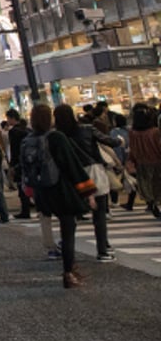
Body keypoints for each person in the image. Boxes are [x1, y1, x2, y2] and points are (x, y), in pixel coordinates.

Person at [24, 104, 97, 288]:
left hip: (42, 191)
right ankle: (68, 272)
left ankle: (69, 267)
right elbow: (72, 166)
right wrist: (88, 192)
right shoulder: (56, 137)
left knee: (59, 225)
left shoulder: (28, 140)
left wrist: (30, 191)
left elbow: (24, 168)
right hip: (60, 189)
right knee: (68, 228)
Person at [56, 104, 119, 262]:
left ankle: (64, 245)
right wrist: (121, 140)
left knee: (72, 216)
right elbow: (110, 141)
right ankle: (102, 250)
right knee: (99, 213)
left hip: (70, 176)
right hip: (93, 171)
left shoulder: (57, 135)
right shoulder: (87, 129)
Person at [126, 103, 161, 218]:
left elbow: (132, 149)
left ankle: (152, 203)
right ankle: (156, 203)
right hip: (157, 162)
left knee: (147, 187)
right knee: (158, 186)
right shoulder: (155, 132)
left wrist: (132, 161)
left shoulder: (132, 133)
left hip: (142, 164)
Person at [6, 108, 33, 218]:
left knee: (21, 187)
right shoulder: (27, 130)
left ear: (12, 118)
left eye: (8, 118)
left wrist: (12, 164)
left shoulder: (13, 131)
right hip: (29, 161)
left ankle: (25, 211)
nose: (7, 121)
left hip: (19, 161)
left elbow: (14, 149)